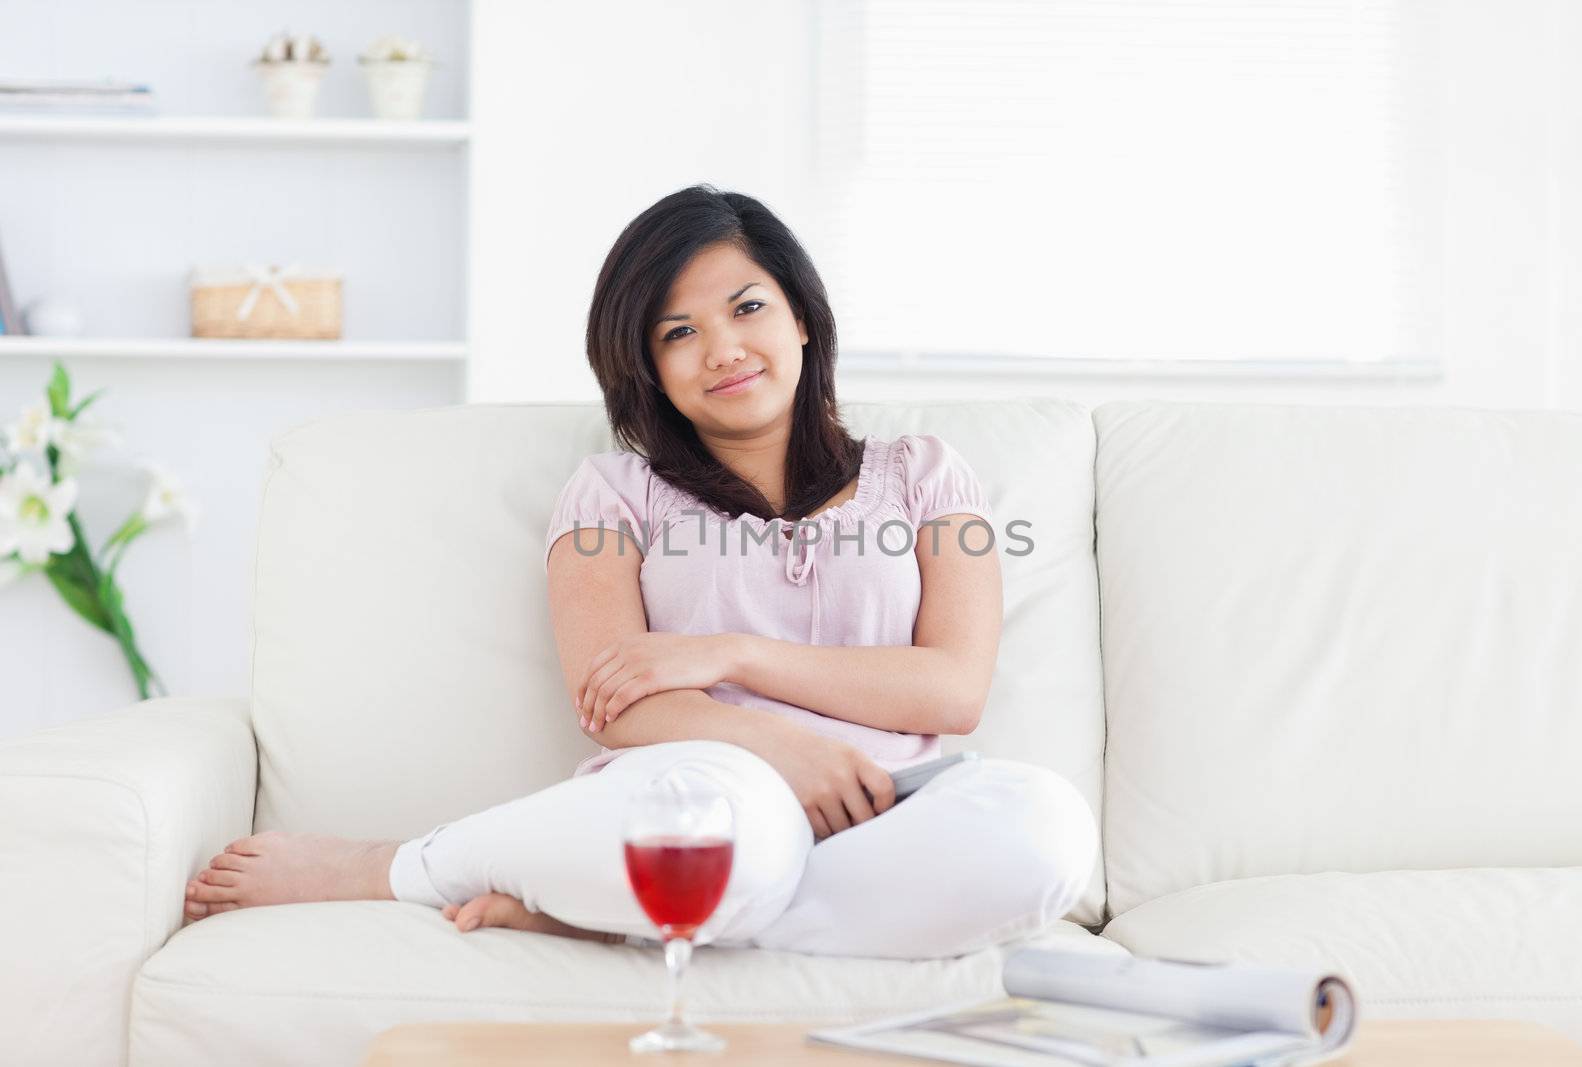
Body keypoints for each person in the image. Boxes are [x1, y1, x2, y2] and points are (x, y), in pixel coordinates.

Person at [182, 184, 1097, 959]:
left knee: (1045, 827)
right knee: (735, 838)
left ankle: (628, 920)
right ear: (649, 368)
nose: (725, 349)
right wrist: (783, 748)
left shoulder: (930, 475)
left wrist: (731, 654)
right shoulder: (611, 495)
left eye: (747, 308)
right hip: (706, 797)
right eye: (679, 332)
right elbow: (615, 696)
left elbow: (950, 689)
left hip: (890, 813)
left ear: (803, 318)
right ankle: (409, 865)